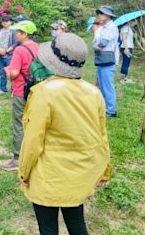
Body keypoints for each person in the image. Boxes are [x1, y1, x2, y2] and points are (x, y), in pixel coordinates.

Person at [19, 33, 111, 235]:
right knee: (77, 224)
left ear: (52, 61)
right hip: (79, 175)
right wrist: (105, 169)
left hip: (48, 175)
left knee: (48, 228)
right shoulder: (93, 92)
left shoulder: (43, 93)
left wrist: (24, 172)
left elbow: (33, 141)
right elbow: (101, 135)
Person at [1, 20, 39, 171]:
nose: (15, 33)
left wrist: (8, 74)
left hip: (20, 90)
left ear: (24, 34)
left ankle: (17, 158)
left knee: (19, 123)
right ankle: (33, 154)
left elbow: (15, 72)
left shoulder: (19, 50)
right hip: (35, 89)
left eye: (17, 32)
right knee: (33, 122)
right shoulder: (37, 47)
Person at [92, 6, 119, 118]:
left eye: (101, 14)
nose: (99, 16)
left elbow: (101, 44)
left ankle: (111, 111)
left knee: (108, 85)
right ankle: (104, 107)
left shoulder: (111, 27)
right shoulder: (104, 27)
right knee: (102, 85)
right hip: (101, 59)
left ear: (108, 16)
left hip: (107, 60)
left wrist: (95, 44)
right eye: (99, 13)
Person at [0, 15, 18, 96]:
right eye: (3, 21)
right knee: (2, 73)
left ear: (10, 22)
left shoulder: (14, 31)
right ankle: (2, 89)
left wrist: (6, 51)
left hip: (10, 56)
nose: (5, 22)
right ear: (1, 23)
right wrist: (0, 49)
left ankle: (13, 90)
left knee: (12, 73)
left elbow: (15, 43)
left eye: (7, 21)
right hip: (1, 56)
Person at [120, 19, 138, 84]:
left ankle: (125, 77)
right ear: (131, 21)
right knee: (125, 62)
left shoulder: (129, 28)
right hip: (126, 47)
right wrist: (126, 48)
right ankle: (123, 79)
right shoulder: (125, 28)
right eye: (135, 22)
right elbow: (124, 38)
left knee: (127, 62)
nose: (135, 23)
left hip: (129, 47)